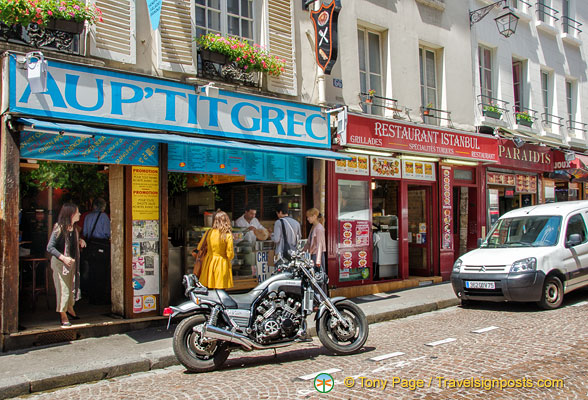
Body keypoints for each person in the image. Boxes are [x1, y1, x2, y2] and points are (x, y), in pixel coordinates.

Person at [46, 203, 86, 326]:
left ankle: (69, 308)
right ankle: (63, 315)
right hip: (60, 264)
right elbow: (50, 247)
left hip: (70, 263)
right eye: (77, 212)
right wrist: (63, 257)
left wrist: (79, 240)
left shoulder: (74, 228)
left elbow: (70, 242)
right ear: (71, 214)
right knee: (63, 289)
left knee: (70, 287)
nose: (79, 214)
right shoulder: (59, 228)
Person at [82, 198, 111, 305]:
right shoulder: (104, 217)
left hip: (91, 246)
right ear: (103, 207)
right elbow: (108, 233)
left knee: (92, 271)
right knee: (102, 272)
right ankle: (100, 297)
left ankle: (92, 296)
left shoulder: (88, 216)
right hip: (102, 245)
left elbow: (85, 232)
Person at [198, 210, 234, 289]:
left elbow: (199, 247)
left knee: (209, 287)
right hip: (221, 263)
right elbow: (230, 254)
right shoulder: (227, 235)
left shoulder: (209, 232)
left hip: (209, 262)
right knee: (220, 289)